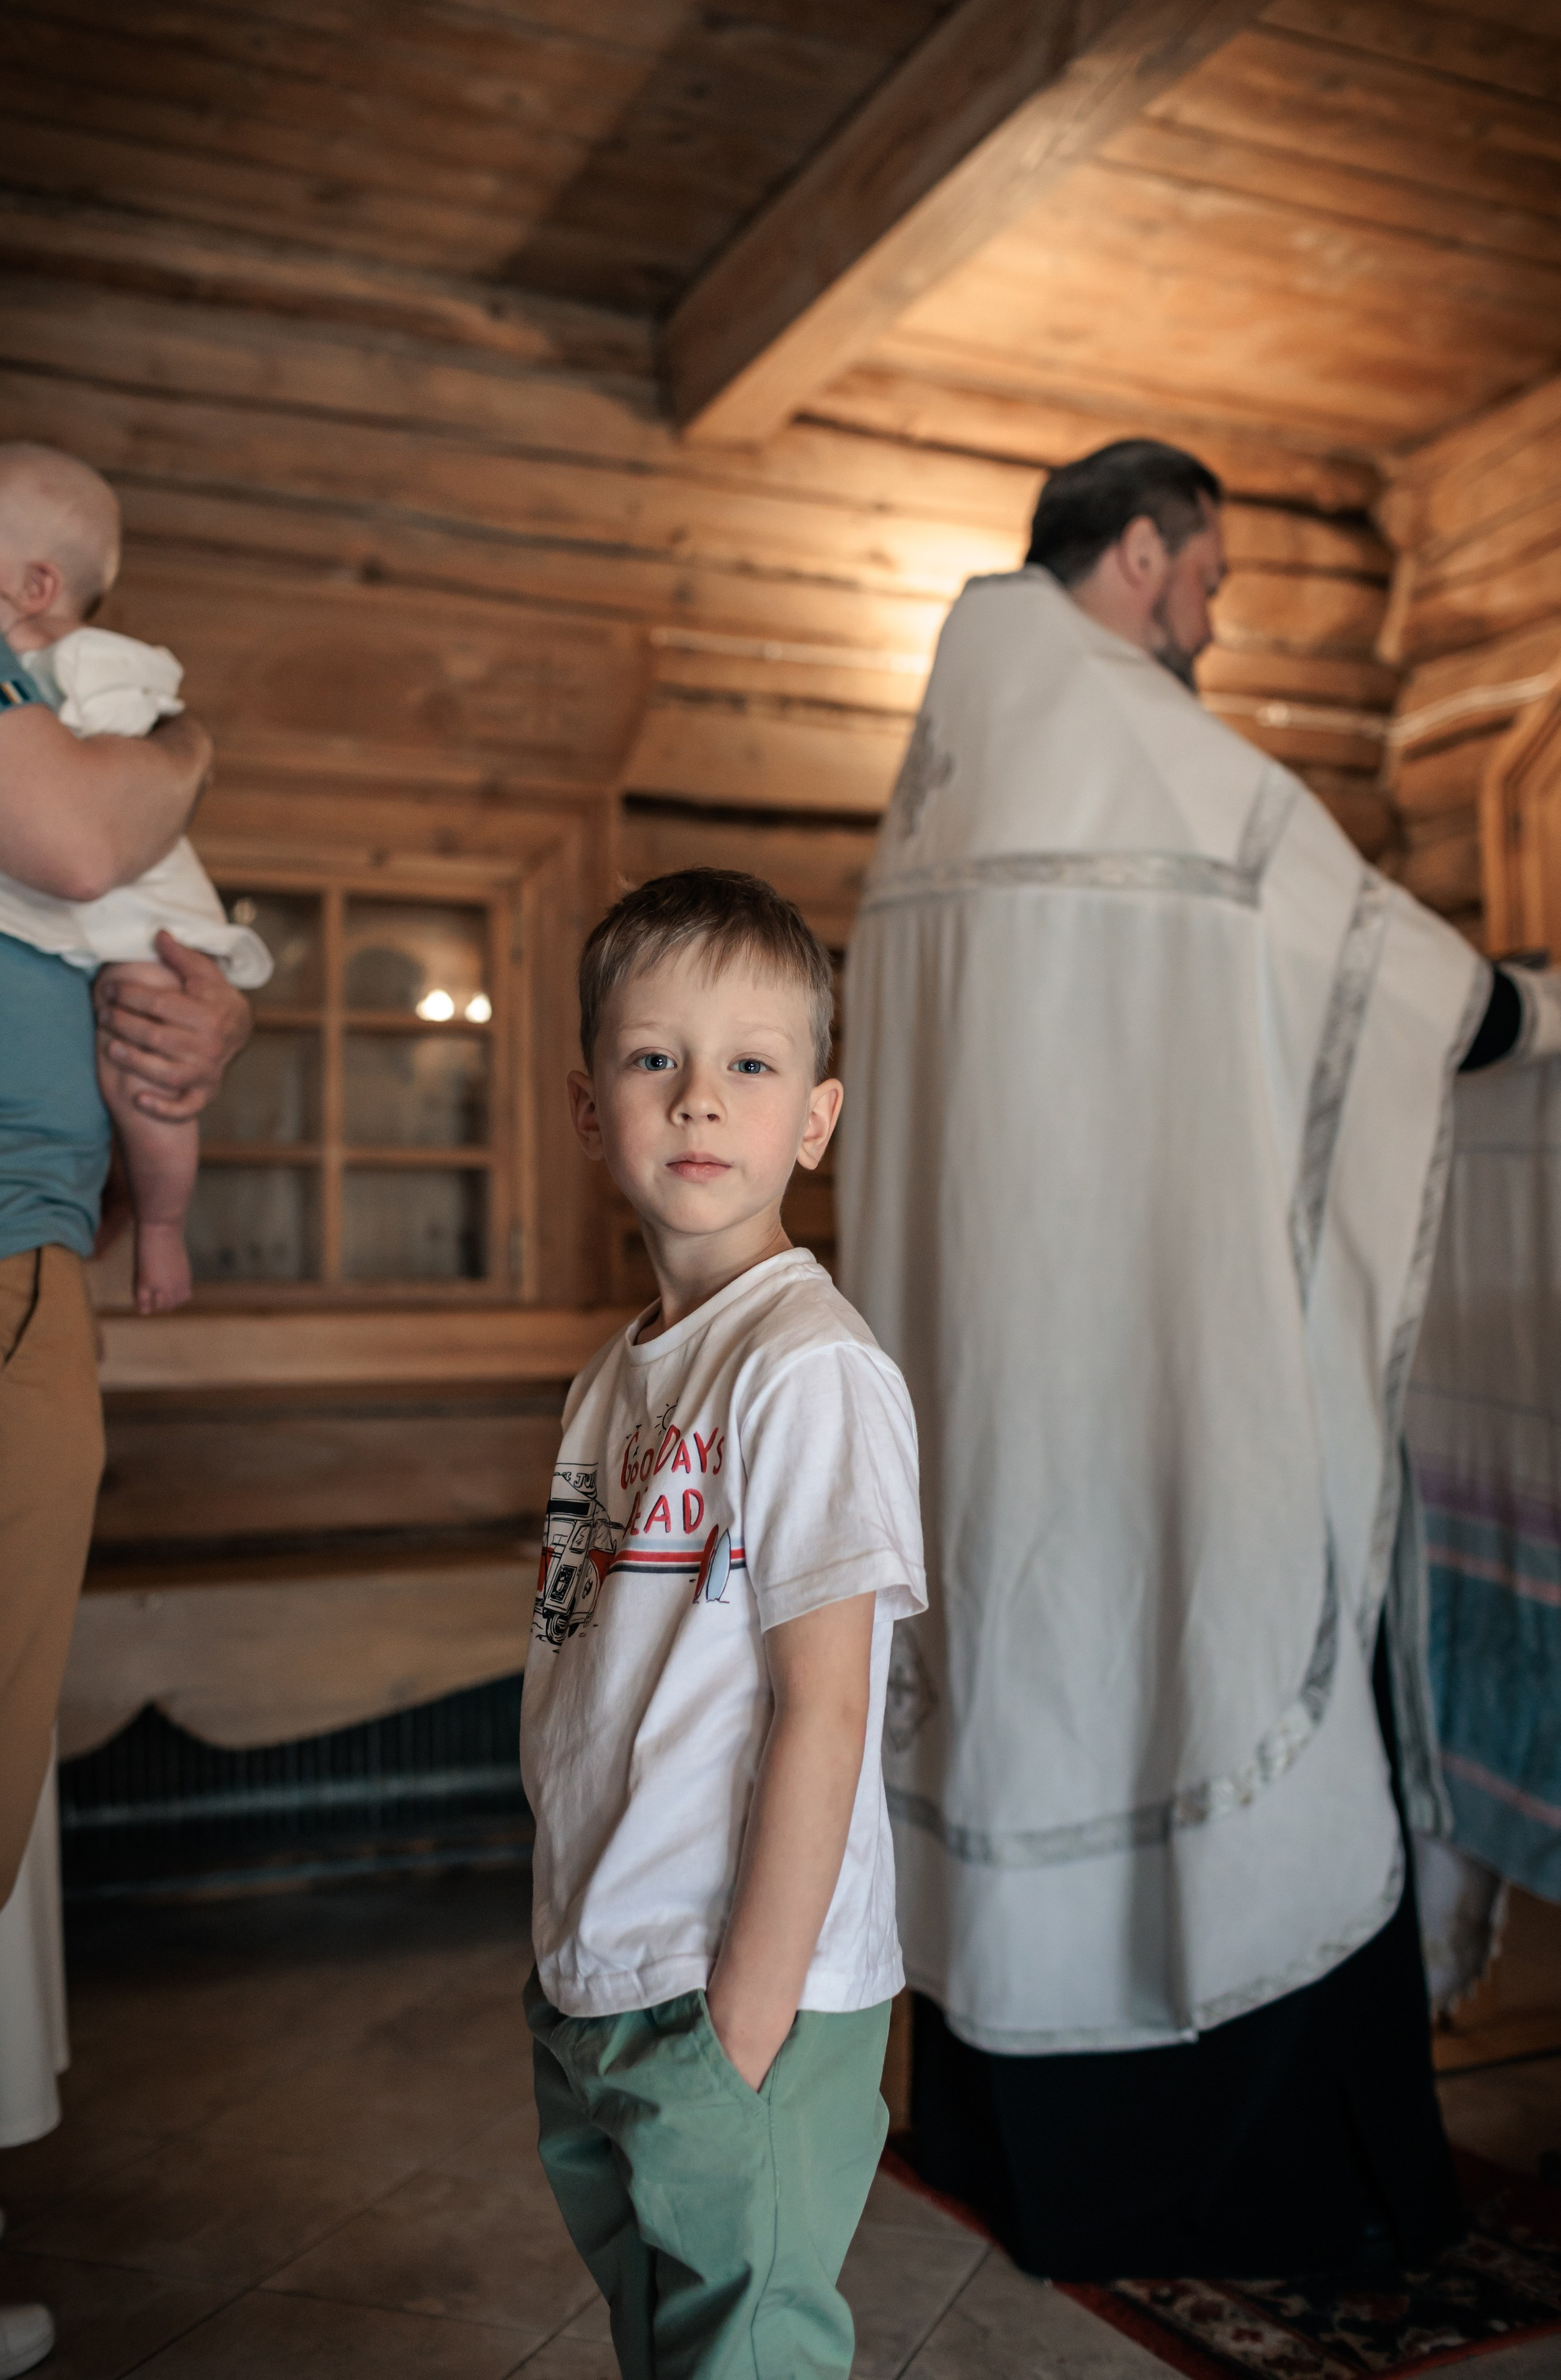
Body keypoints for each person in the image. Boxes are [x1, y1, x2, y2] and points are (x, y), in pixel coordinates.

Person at [839, 439, 1560, 2283]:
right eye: (1215, 577)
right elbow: (1384, 987)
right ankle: (1258, 2181)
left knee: (1030, 1674)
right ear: (1145, 554)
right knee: (1198, 1643)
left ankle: (1013, 2143)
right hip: (1146, 1376)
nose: (1219, 615)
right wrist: (1529, 1010)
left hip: (990, 1387)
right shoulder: (1152, 753)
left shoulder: (931, 786)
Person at [521, 868, 926, 2379]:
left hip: (730, 1989)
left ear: (810, 1120)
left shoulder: (803, 1366)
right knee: (667, 2337)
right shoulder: (616, 1379)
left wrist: (746, 2011)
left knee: (745, 2351)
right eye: (652, 1060)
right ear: (588, 1109)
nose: (699, 1100)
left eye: (749, 1065)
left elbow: (825, 1708)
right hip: (605, 1963)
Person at [0, 445, 251, 2378]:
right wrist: (187, 756)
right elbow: (85, 847)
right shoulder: (77, 693)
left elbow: (123, 918)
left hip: (20, 1255)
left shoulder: (53, 679)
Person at [0, 444, 271, 1312]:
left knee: (152, 1075)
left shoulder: (89, 662)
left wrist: (180, 747)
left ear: (35, 587)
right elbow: (78, 845)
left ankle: (164, 1228)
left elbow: (109, 811)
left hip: (29, 1227)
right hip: (9, 1231)